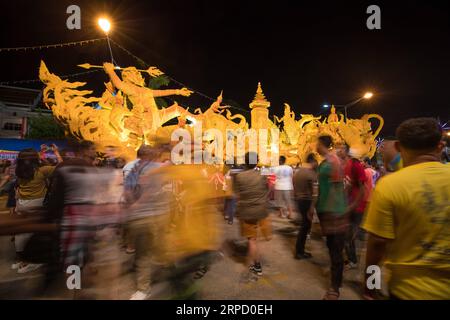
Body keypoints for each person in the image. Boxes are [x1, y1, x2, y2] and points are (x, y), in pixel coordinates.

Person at [362, 118, 450, 300]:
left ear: (399, 147)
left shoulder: (390, 186)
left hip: (409, 290)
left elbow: (377, 244)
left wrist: (371, 284)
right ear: (440, 146)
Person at [13, 147, 61, 273]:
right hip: (36, 203)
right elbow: (62, 167)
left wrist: (41, 153)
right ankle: (31, 262)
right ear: (35, 159)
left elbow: (28, 160)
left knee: (21, 232)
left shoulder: (18, 170)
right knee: (35, 233)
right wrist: (56, 152)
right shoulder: (41, 171)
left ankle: (21, 260)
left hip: (21, 203)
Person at [316, 135, 348, 300]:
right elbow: (322, 187)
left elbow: (338, 188)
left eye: (317, 143)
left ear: (323, 145)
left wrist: (337, 212)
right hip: (326, 211)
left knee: (336, 250)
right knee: (331, 247)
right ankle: (337, 278)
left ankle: (335, 288)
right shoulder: (324, 163)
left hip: (334, 212)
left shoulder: (334, 162)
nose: (315, 146)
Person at [234, 152, 271, 279]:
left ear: (245, 161)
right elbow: (268, 189)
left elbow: (237, 195)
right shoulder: (262, 175)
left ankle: (255, 266)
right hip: (260, 211)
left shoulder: (239, 176)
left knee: (252, 240)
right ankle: (256, 264)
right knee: (255, 240)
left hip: (247, 212)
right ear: (257, 161)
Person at [336, 144, 366, 269]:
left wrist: (353, 205)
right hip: (346, 205)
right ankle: (350, 259)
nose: (338, 150)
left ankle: (353, 261)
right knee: (345, 235)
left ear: (347, 151)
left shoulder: (355, 165)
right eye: (337, 148)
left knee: (348, 236)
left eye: (341, 148)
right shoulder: (342, 166)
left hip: (356, 208)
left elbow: (362, 188)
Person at [293, 153, 318, 259]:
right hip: (307, 202)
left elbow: (294, 187)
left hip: (299, 200)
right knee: (305, 226)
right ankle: (299, 252)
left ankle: (300, 250)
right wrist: (312, 207)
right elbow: (315, 193)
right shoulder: (311, 174)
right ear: (312, 161)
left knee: (304, 226)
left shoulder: (297, 173)